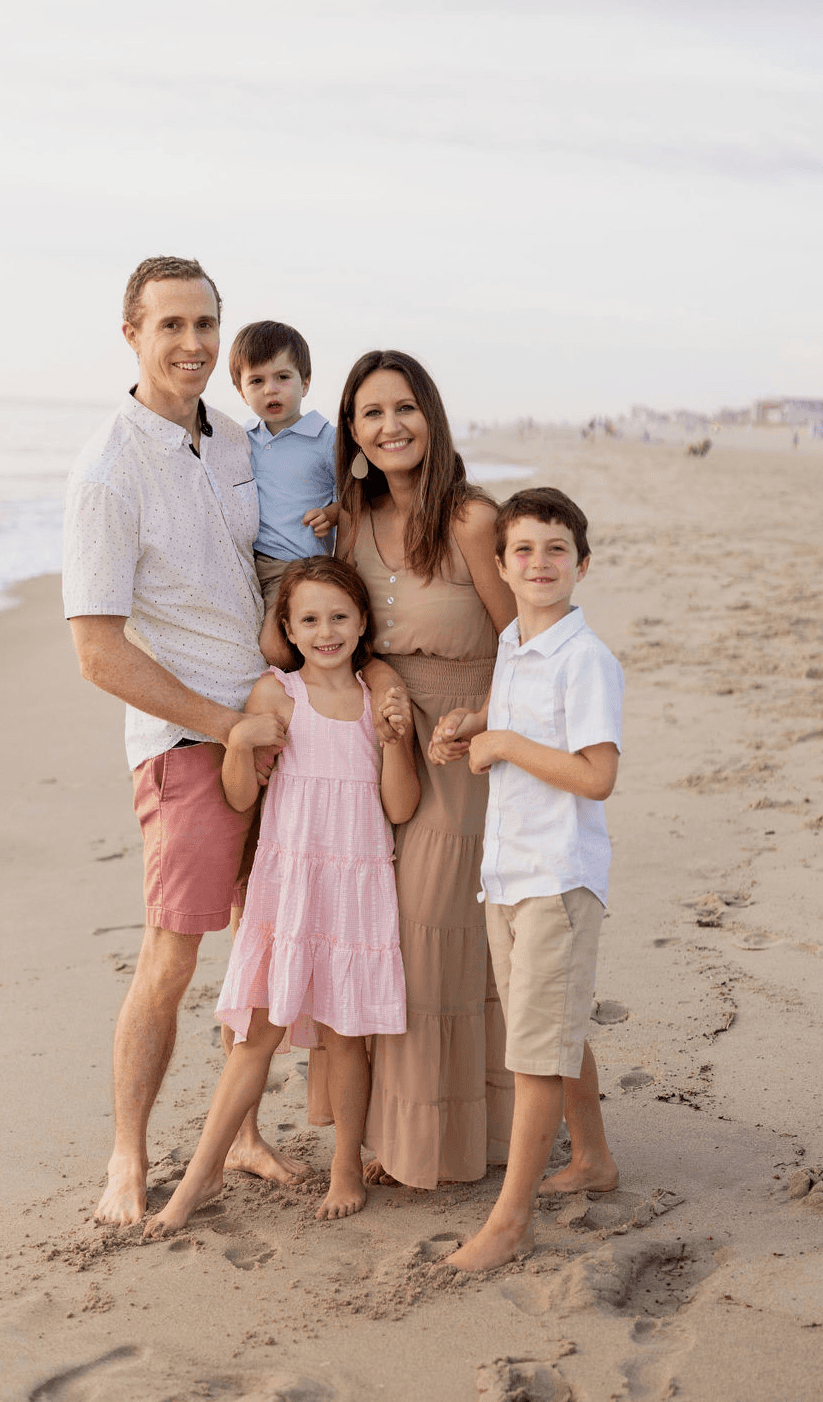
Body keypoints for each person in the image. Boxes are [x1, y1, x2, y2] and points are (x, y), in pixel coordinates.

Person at [63, 256, 303, 1226]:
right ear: (132, 334)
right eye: (172, 325)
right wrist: (224, 724)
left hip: (269, 725)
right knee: (172, 956)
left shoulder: (243, 443)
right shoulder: (107, 468)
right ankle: (126, 1156)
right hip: (186, 741)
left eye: (207, 323)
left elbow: (264, 565)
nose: (194, 342)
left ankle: (239, 1131)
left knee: (261, 945)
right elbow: (96, 650)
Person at [144, 557, 419, 1237]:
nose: (326, 631)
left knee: (347, 1035)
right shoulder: (276, 693)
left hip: (355, 883)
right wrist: (239, 739)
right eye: (309, 620)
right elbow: (241, 795)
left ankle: (346, 1167)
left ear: (361, 621)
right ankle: (195, 1181)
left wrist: (397, 742)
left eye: (339, 617)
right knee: (253, 1037)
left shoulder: (373, 698)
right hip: (289, 887)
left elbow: (401, 804)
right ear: (288, 629)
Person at [315, 349, 517, 1190]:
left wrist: (484, 723)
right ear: (353, 432)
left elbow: (525, 641)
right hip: (383, 735)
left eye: (404, 407)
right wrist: (387, 684)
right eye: (370, 413)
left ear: (430, 417)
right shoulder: (349, 521)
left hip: (467, 741)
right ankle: (400, 1132)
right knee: (382, 928)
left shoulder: (473, 519)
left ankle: (433, 1142)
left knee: (429, 929)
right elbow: (348, 635)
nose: (389, 425)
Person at [430, 486, 623, 1270]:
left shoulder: (586, 658)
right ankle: (595, 1158)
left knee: (536, 1050)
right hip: (506, 871)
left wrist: (503, 742)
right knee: (550, 1025)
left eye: (555, 549)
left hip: (557, 875)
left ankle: (510, 1220)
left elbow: (596, 774)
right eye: (523, 551)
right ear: (502, 566)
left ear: (582, 562)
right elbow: (514, 718)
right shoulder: (515, 644)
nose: (540, 562)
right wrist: (476, 724)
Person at [229, 320, 340, 666]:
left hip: (300, 566)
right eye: (257, 381)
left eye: (282, 378)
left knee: (276, 648)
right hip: (249, 564)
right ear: (241, 391)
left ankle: (300, 695)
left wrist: (332, 514)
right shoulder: (242, 439)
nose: (270, 390)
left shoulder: (325, 439)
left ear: (305, 383)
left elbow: (355, 497)